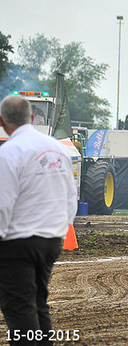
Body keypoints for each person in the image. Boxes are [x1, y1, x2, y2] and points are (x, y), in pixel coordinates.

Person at [0, 94, 77, 346]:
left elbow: (3, 203)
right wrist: (61, 228)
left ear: (2, 122)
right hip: (52, 239)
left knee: (19, 307)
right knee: (38, 302)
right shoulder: (58, 149)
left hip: (18, 242)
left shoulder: (9, 152)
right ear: (32, 118)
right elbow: (70, 196)